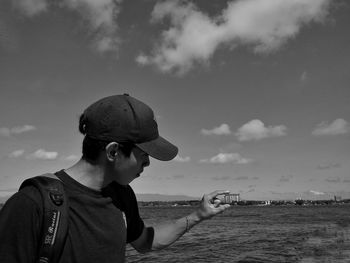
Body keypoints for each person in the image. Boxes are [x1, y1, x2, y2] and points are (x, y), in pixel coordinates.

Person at [0, 94, 230, 263]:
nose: (148, 163)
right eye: (143, 156)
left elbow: (144, 242)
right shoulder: (31, 204)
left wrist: (199, 215)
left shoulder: (122, 194)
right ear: (112, 152)